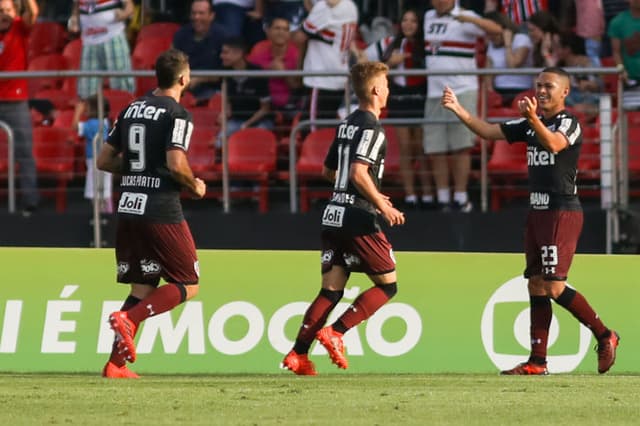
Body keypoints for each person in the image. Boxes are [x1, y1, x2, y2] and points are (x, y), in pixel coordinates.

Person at [441, 67, 620, 375]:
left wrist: (533, 119)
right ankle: (537, 361)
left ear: (564, 91)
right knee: (536, 285)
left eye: (548, 86)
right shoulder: (528, 124)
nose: (541, 90)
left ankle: (605, 334)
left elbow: (554, 144)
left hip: (561, 211)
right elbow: (487, 131)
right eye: (538, 85)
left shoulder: (569, 122)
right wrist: (459, 109)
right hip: (537, 213)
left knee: (553, 286)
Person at [281, 61, 405, 375]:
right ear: (377, 90)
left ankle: (298, 353)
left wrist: (345, 190)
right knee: (388, 285)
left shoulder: (347, 122)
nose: (388, 90)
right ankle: (337, 331)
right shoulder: (373, 127)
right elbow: (358, 171)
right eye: (387, 85)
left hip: (333, 211)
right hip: (357, 216)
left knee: (331, 289)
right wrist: (380, 203)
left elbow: (327, 170)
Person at [96, 48, 207, 378]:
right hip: (160, 208)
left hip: (128, 204)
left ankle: (115, 366)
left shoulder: (131, 108)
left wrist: (134, 169)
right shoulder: (178, 113)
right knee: (188, 282)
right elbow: (176, 164)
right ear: (184, 78)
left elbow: (103, 161)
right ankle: (130, 319)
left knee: (142, 287)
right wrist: (195, 186)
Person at [423, 0, 502, 211]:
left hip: (462, 90)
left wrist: (469, 18)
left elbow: (497, 30)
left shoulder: (466, 15)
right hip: (434, 92)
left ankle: (460, 196)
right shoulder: (427, 17)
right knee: (435, 148)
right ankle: (442, 198)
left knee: (461, 147)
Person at [362, 8, 434, 208]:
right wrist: (389, 64)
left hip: (420, 96)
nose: (408, 24)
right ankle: (411, 196)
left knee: (421, 148)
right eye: (405, 20)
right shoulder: (389, 43)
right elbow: (366, 66)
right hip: (400, 97)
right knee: (405, 147)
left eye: (413, 21)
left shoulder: (425, 44)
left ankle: (428, 194)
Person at [0, 0, 40, 216]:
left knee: (24, 152)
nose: (4, 15)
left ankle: (30, 200)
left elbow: (32, 13)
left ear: (14, 12)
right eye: (0, 11)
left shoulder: (19, 27)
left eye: (8, 10)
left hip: (16, 101)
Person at [293, 0, 358, 127]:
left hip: (321, 79)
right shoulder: (350, 6)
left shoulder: (324, 7)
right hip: (339, 76)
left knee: (313, 130)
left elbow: (298, 38)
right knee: (328, 130)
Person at [68, 0, 136, 100]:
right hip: (89, 42)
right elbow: (76, 7)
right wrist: (74, 19)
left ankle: (124, 112)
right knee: (88, 88)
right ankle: (93, 114)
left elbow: (129, 6)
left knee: (121, 85)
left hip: (113, 36)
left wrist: (124, 14)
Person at [217, 36, 272, 146]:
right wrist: (224, 114)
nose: (221, 56)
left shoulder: (257, 73)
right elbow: (227, 103)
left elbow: (265, 109)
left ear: (239, 53)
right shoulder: (225, 73)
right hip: (237, 120)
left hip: (259, 121)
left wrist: (247, 125)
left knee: (257, 138)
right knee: (219, 142)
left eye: (226, 53)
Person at [172, 0, 228, 104]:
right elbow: (173, 64)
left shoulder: (223, 36)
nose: (196, 17)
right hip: (183, 88)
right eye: (194, 13)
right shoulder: (181, 35)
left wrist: (200, 79)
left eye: (201, 13)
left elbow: (226, 71)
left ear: (211, 16)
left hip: (213, 90)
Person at [247, 16, 301, 116]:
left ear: (290, 34)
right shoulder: (258, 49)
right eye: (277, 28)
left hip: (290, 106)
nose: (281, 32)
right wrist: (268, 70)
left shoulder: (297, 53)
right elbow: (248, 79)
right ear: (268, 31)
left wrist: (284, 73)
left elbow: (297, 87)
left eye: (285, 29)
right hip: (261, 105)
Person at [72, 95, 113, 213]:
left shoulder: (93, 124)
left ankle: (104, 217)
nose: (85, 109)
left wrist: (77, 111)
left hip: (96, 162)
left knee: (99, 194)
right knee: (103, 192)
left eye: (87, 107)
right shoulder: (105, 122)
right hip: (103, 160)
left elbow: (75, 126)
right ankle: (104, 215)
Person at [484, 11, 534, 107]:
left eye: (493, 33)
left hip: (521, 91)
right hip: (499, 92)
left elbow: (513, 65)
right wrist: (491, 93)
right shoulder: (491, 45)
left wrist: (508, 43)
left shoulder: (521, 39)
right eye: (488, 33)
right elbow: (488, 73)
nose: (491, 37)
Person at [554, 32, 603, 120]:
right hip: (570, 101)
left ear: (567, 49)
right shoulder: (559, 66)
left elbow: (598, 85)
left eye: (558, 48)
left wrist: (588, 84)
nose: (555, 51)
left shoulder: (587, 63)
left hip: (589, 98)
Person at [608, 0, 640, 110]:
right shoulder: (618, 22)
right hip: (630, 80)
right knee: (629, 116)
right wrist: (621, 69)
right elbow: (616, 51)